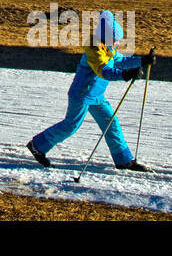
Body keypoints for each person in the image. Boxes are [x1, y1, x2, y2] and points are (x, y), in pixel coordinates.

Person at [27, 11, 156, 172]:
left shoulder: (107, 49)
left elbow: (120, 60)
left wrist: (142, 61)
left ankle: (124, 160)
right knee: (71, 125)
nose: (118, 43)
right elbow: (105, 71)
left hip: (96, 95)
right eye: (116, 40)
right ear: (107, 38)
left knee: (111, 123)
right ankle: (37, 146)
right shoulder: (94, 51)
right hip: (82, 94)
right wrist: (126, 74)